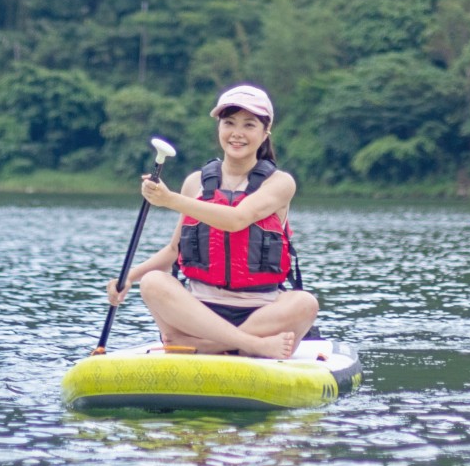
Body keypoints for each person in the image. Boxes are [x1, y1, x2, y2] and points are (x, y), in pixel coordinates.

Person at [105, 84, 319, 359]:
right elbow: (174, 251)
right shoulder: (195, 181)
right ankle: (249, 345)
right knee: (153, 282)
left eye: (249, 125)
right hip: (199, 310)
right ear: (219, 128)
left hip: (261, 309)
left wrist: (169, 200)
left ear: (265, 133)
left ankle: (203, 346)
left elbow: (237, 219)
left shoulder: (279, 183)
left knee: (305, 303)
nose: (237, 133)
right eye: (229, 123)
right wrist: (128, 278)